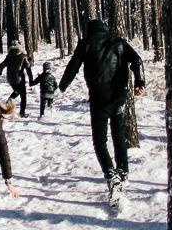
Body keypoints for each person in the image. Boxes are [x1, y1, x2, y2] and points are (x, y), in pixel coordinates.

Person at [59, 19, 146, 201]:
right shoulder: (118, 41)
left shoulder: (86, 44)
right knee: (118, 135)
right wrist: (140, 82)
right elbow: (137, 60)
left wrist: (62, 85)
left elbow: (73, 66)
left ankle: (110, 173)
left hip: (99, 98)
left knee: (100, 140)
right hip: (119, 97)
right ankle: (123, 171)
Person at [0, 43, 33, 117]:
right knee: (23, 95)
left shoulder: (8, 57)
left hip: (10, 79)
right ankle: (22, 113)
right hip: (19, 79)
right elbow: (28, 69)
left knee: (17, 90)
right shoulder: (23, 57)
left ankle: (9, 100)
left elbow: (1, 65)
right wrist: (31, 80)